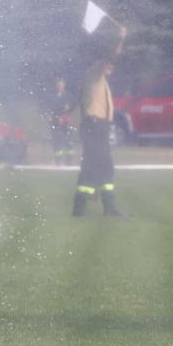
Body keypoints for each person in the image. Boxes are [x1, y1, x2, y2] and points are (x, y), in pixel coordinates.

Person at [73, 25, 127, 217]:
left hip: (97, 127)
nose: (111, 67)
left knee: (97, 166)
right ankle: (100, 207)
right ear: (99, 63)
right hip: (95, 125)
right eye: (108, 65)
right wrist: (120, 38)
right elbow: (110, 56)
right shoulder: (94, 75)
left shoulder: (96, 79)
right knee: (99, 165)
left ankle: (88, 207)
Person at [46, 76, 76, 166]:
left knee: (69, 142)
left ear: (64, 85)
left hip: (67, 122)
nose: (60, 86)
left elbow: (73, 105)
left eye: (61, 85)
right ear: (56, 85)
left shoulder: (68, 96)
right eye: (58, 85)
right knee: (57, 142)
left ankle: (69, 162)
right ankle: (58, 162)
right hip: (56, 122)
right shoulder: (51, 97)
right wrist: (50, 116)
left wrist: (69, 107)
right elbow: (48, 108)